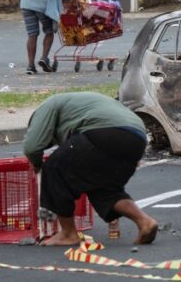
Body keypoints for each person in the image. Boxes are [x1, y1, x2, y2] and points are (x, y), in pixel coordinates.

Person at [23, 92, 158, 246]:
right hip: (137, 138)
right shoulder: (77, 105)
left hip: (106, 131)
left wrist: (37, 164)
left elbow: (32, 147)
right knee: (104, 188)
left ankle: (68, 234)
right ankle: (145, 222)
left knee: (54, 168)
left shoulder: (46, 108)